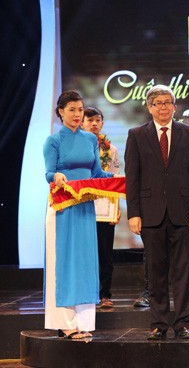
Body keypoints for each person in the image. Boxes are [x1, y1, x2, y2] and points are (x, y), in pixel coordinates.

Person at [125, 85, 189, 340]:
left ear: (174, 106)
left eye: (167, 102)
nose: (163, 107)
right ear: (149, 107)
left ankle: (182, 322)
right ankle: (159, 322)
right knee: (156, 270)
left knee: (183, 270)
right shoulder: (136, 135)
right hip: (150, 213)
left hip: (183, 212)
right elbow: (132, 177)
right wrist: (133, 213)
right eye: (157, 103)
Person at [43, 91, 114, 340]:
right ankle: (63, 323)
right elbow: (49, 173)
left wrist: (118, 180)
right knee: (63, 264)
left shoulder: (90, 140)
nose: (77, 114)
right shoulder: (53, 141)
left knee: (84, 263)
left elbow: (96, 172)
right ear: (61, 111)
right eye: (72, 109)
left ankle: (82, 321)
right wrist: (57, 177)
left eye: (80, 110)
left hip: (84, 206)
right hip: (62, 207)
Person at [81, 107, 121, 309]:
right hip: (82, 205)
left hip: (105, 207)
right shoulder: (79, 147)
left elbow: (114, 180)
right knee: (85, 253)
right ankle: (86, 294)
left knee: (106, 253)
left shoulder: (111, 150)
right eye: (90, 120)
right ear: (82, 123)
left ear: (102, 124)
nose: (94, 124)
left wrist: (117, 208)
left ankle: (105, 294)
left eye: (98, 120)